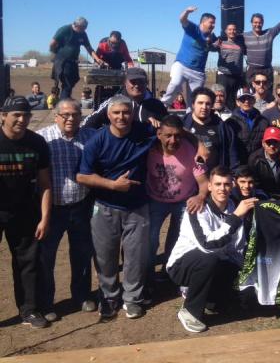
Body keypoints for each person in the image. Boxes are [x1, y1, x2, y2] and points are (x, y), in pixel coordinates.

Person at [77, 95, 157, 320]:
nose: (122, 116)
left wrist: (198, 144)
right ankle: (110, 296)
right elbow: (82, 175)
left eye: (126, 112)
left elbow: (174, 131)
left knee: (135, 256)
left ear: (132, 113)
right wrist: (112, 185)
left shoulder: (144, 132)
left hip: (138, 207)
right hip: (105, 206)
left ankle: (132, 299)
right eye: (116, 113)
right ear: (108, 115)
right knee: (105, 256)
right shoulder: (97, 140)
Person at [166, 166, 255, 333]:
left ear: (232, 185)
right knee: (209, 258)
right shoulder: (196, 208)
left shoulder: (233, 205)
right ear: (209, 186)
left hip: (217, 260)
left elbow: (236, 246)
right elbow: (207, 245)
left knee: (231, 270)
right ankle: (190, 311)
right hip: (182, 266)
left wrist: (245, 273)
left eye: (227, 184)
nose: (222, 188)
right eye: (218, 184)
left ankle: (211, 299)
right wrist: (235, 218)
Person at [36, 98, 97, 322]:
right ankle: (46, 302)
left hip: (81, 206)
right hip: (52, 209)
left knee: (82, 254)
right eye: (66, 115)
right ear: (56, 116)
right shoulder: (43, 138)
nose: (71, 119)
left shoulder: (89, 137)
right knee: (46, 258)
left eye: (75, 115)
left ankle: (81, 296)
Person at [0, 96, 52, 328]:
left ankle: (29, 310)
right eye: (16, 115)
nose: (22, 120)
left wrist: (44, 218)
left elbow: (45, 184)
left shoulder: (37, 143)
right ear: (3, 116)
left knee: (27, 263)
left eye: (26, 115)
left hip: (24, 210)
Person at [146, 115, 209, 289]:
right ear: (159, 134)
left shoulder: (190, 151)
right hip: (155, 200)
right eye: (168, 135)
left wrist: (200, 196)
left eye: (177, 136)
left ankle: (170, 270)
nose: (173, 140)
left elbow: (204, 182)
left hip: (183, 201)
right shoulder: (148, 149)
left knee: (177, 238)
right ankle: (148, 274)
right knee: (150, 240)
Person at [162, 7, 217, 108]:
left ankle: (190, 117)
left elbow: (214, 48)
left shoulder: (212, 37)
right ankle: (162, 106)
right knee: (175, 84)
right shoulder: (192, 28)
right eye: (211, 23)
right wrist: (187, 12)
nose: (213, 26)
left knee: (195, 99)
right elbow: (182, 20)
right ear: (203, 22)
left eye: (214, 23)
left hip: (198, 72)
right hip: (182, 65)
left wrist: (214, 45)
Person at [82, 67, 167, 129]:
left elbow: (170, 128)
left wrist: (160, 127)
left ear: (146, 83)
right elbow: (88, 124)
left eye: (141, 81)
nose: (137, 85)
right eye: (133, 82)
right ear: (125, 83)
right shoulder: (114, 102)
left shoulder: (157, 105)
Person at [183, 87, 239, 172]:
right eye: (200, 103)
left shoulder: (223, 127)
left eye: (208, 104)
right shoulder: (182, 124)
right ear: (193, 104)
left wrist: (233, 175)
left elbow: (233, 155)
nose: (204, 107)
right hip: (188, 178)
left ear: (212, 106)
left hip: (214, 179)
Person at [243, 5, 280, 86]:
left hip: (266, 70)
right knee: (251, 96)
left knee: (268, 96)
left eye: (260, 22)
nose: (257, 24)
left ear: (263, 23)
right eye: (255, 22)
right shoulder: (245, 36)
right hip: (252, 70)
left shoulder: (269, 33)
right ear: (251, 23)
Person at [49, 17, 104, 98]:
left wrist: (97, 59)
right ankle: (64, 103)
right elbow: (52, 43)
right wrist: (56, 54)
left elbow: (89, 48)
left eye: (85, 28)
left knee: (72, 81)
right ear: (77, 26)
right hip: (63, 61)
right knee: (67, 84)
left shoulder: (83, 34)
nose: (84, 30)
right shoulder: (65, 30)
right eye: (83, 28)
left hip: (73, 62)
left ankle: (64, 99)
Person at [227, 88, 269, 164]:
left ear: (254, 100)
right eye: (243, 99)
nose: (246, 101)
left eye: (249, 98)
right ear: (237, 102)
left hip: (258, 164)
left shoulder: (263, 121)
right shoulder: (230, 122)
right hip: (239, 165)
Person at [212, 23, 246, 110]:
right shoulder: (221, 42)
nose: (232, 31)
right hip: (224, 75)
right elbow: (211, 47)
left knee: (236, 100)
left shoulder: (241, 43)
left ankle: (233, 119)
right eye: (230, 29)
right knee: (222, 98)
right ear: (226, 31)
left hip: (237, 76)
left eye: (234, 29)